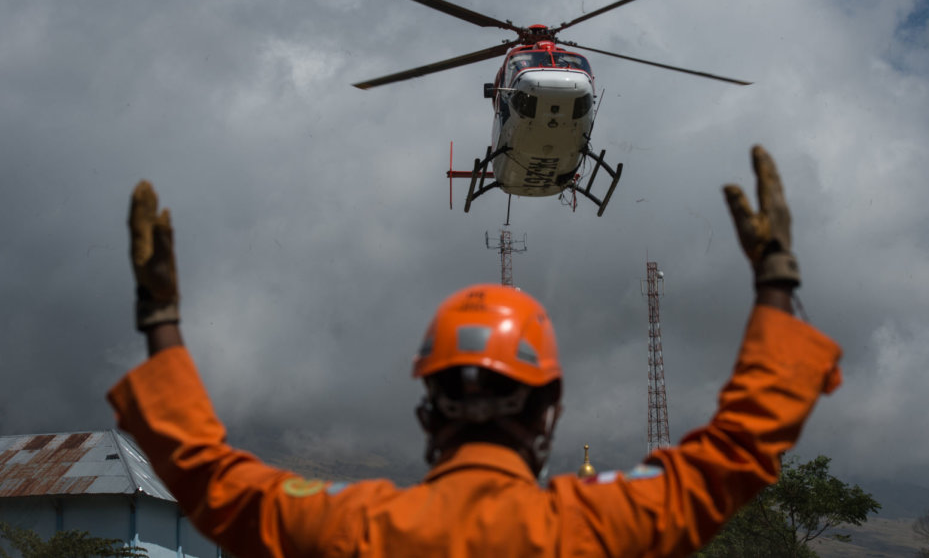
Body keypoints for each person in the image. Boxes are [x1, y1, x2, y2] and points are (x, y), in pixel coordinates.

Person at [109, 145, 841, 557]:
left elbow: (208, 478)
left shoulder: (351, 528)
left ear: (428, 411)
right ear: (549, 410)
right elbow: (739, 448)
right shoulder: (596, 528)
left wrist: (161, 317)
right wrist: (776, 280)